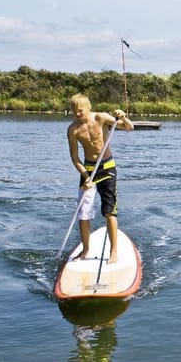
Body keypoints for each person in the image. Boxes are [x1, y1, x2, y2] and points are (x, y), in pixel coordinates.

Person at [67, 93, 133, 263]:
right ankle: (86, 250)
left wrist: (123, 117)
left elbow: (129, 127)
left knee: (109, 211)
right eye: (74, 111)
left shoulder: (101, 117)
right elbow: (75, 158)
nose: (77, 114)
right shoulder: (73, 130)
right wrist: (86, 176)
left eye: (80, 110)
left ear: (88, 107)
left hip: (107, 168)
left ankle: (113, 252)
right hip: (88, 171)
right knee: (83, 213)